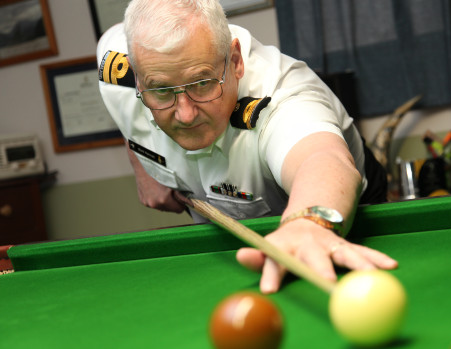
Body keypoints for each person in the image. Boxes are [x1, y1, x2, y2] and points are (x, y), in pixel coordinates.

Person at [97, 0, 397, 293]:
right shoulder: (117, 65)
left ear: (236, 61)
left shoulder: (281, 96)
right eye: (161, 90)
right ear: (138, 80)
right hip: (223, 223)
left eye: (202, 83)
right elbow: (120, 73)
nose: (185, 114)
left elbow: (321, 158)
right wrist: (143, 166)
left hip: (335, 211)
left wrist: (310, 222)